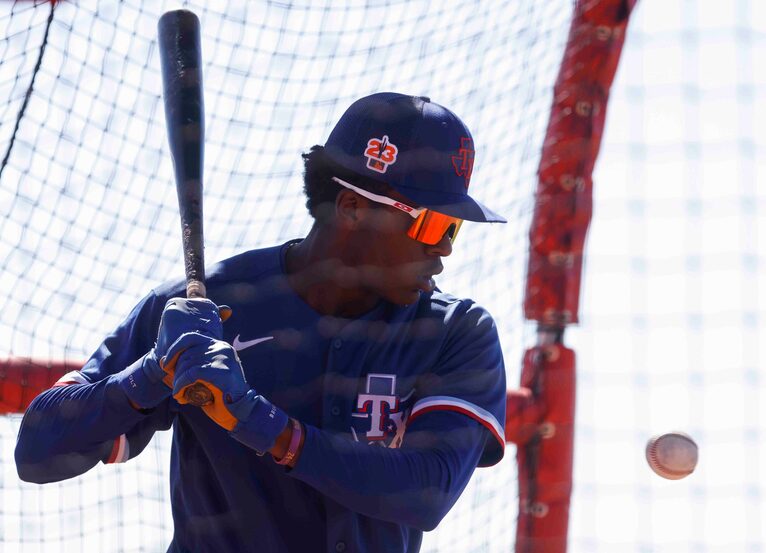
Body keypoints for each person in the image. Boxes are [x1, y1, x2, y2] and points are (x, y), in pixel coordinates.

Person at [15, 92, 507, 553]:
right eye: (433, 224)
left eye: (455, 228)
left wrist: (258, 422)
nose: (444, 247)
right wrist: (153, 373)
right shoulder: (208, 303)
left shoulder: (458, 332)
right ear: (353, 208)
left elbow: (427, 491)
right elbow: (38, 450)